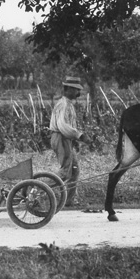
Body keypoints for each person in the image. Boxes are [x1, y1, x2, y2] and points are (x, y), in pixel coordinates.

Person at [49, 76, 90, 207]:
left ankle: (69, 201)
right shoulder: (64, 105)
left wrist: (76, 137)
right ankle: (36, 189)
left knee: (74, 170)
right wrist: (80, 136)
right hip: (61, 137)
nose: (78, 94)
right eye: (76, 90)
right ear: (68, 89)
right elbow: (63, 126)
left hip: (65, 138)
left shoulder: (67, 104)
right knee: (65, 172)